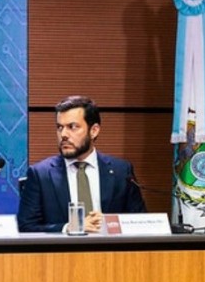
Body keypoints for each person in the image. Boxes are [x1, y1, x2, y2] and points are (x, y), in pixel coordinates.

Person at [17, 95, 146, 233]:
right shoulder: (41, 175)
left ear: (94, 131)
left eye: (72, 127)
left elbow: (141, 223)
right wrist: (69, 227)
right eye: (60, 127)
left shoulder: (121, 171)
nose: (63, 134)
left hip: (109, 246)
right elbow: (26, 226)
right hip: (63, 247)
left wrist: (110, 223)